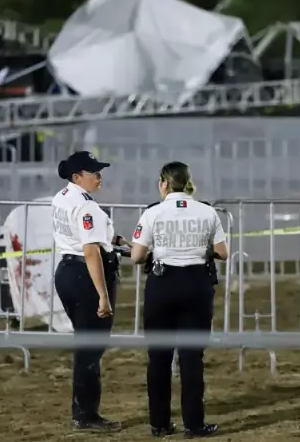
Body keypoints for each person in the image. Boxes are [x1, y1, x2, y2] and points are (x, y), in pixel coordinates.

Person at [129, 161, 229, 438]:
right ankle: (194, 424)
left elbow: (137, 256)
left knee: (158, 356)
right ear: (188, 182)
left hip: (162, 283)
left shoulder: (153, 212)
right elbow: (223, 252)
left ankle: (159, 423)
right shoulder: (207, 211)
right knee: (192, 357)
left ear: (164, 183)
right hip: (196, 284)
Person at [50, 150, 126, 432]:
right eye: (93, 172)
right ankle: (86, 414)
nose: (99, 176)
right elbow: (91, 251)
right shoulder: (86, 206)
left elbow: (90, 237)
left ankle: (83, 411)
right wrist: (103, 296)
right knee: (91, 348)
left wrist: (119, 242)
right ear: (77, 176)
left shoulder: (62, 197)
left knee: (86, 344)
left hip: (68, 272)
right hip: (86, 276)